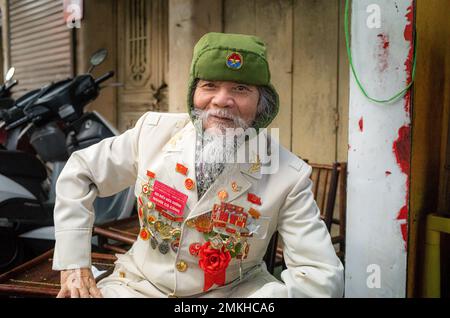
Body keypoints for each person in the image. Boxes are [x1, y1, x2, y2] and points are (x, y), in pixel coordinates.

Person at [53, 32, 344, 298]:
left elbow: (321, 277)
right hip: (137, 286)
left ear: (262, 105)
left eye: (241, 89)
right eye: (210, 86)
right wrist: (75, 263)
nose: (222, 101)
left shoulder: (287, 173)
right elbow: (80, 173)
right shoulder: (153, 132)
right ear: (194, 94)